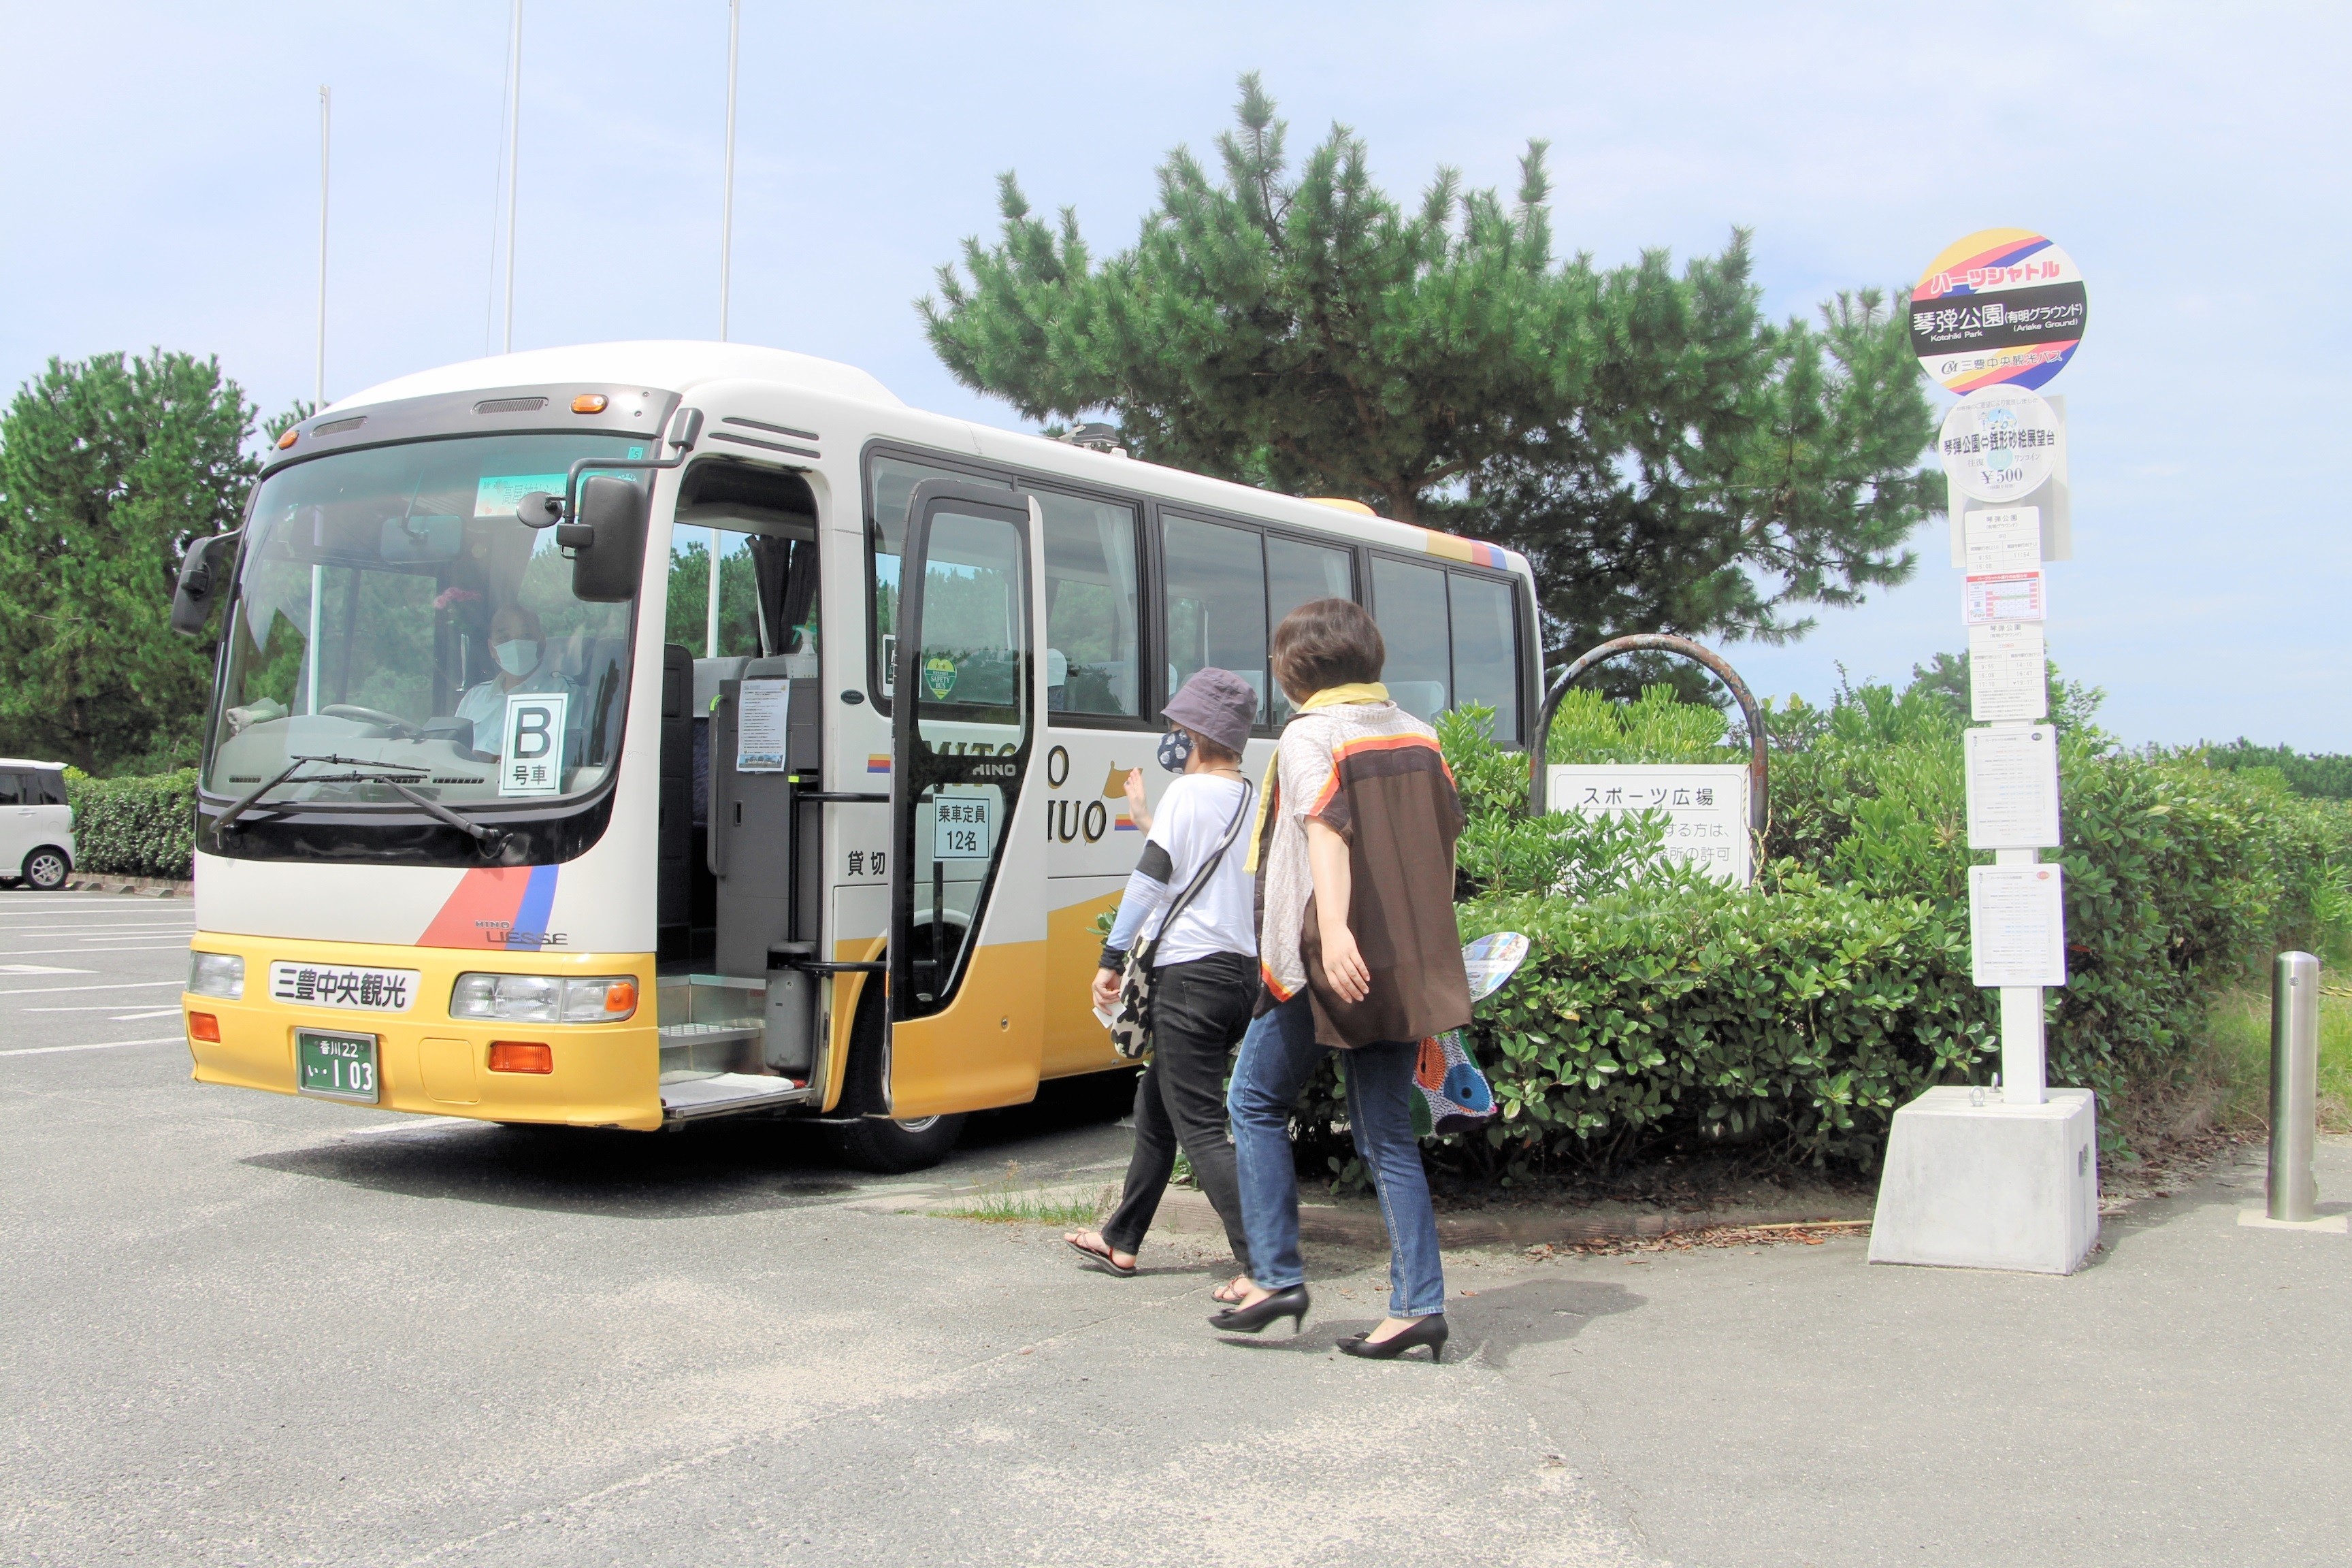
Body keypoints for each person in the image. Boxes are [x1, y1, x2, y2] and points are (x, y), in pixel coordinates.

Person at [1212, 598, 1469, 1362]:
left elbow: (1326, 829)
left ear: (1297, 669)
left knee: (1253, 1102)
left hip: (1321, 958)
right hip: (1401, 963)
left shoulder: (1310, 734)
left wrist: (1337, 936)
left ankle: (1274, 1276)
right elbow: (1444, 843)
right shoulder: (1422, 735)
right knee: (1388, 1134)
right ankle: (1419, 1303)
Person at [1064, 668, 1263, 1299]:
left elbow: (1151, 881)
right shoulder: (1249, 798)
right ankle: (1123, 1238)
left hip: (1190, 978)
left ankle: (1265, 1264)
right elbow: (1198, 867)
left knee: (1200, 1125)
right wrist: (1147, 814)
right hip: (1239, 976)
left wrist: (1112, 955)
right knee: (1158, 1106)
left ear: (1200, 733)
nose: (1173, 739)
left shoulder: (1188, 794)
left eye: (1179, 728)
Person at [454, 602, 571, 755]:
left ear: (542, 642)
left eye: (525, 636)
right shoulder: (474, 697)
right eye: (504, 638)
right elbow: (450, 750)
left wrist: (491, 761)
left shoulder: (562, 693)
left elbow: (559, 757)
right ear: (492, 649)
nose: (515, 644)